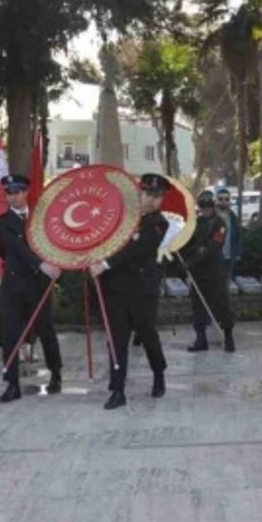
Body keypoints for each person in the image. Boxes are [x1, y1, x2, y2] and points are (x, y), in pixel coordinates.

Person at [88, 173, 170, 410]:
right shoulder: (118, 218)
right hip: (115, 290)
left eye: (158, 196)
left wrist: (104, 264)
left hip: (142, 291)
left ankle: (159, 373)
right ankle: (117, 390)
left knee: (147, 335)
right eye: (149, 194)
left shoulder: (158, 223)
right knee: (116, 341)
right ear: (139, 193)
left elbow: (136, 248)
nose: (153, 200)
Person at [0, 174, 64, 402]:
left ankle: (56, 374)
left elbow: (55, 241)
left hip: (38, 284)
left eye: (16, 192)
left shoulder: (40, 219)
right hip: (15, 284)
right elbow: (13, 247)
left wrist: (59, 262)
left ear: (26, 193)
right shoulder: (3, 221)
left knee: (45, 330)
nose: (12, 197)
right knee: (11, 334)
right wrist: (41, 263)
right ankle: (12, 383)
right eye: (9, 193)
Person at [182, 191, 236, 353]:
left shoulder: (220, 224)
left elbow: (213, 247)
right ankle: (201, 339)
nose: (205, 209)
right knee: (198, 305)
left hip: (215, 270)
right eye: (202, 206)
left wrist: (194, 257)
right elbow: (187, 244)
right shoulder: (195, 223)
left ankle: (228, 337)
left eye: (208, 205)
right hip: (199, 272)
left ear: (213, 206)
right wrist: (195, 251)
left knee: (222, 304)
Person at [215, 188, 243, 280]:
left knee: (226, 282)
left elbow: (238, 235)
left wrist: (237, 253)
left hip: (229, 256)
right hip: (214, 256)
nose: (223, 201)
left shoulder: (233, 216)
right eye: (220, 199)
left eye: (226, 199)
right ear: (216, 200)